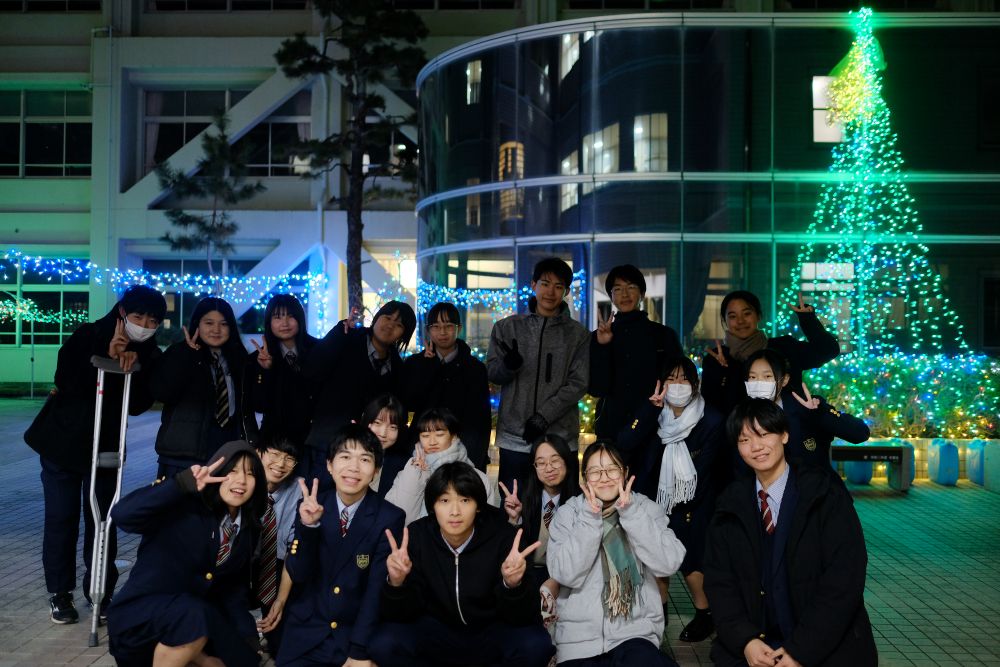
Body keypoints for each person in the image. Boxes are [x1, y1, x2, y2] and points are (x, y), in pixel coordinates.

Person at [24, 285, 166, 625]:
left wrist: (133, 369)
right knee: (61, 519)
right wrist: (106, 355)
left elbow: (138, 405)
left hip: (105, 447)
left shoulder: (149, 353)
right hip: (63, 444)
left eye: (153, 321)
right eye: (138, 317)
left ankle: (100, 592)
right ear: (122, 312)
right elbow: (66, 381)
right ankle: (60, 593)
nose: (144, 325)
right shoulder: (87, 335)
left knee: (103, 521)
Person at [703, 399, 878, 666]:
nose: (756, 447)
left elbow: (844, 579)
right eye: (745, 440)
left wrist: (800, 651)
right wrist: (746, 641)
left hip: (824, 644)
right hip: (759, 645)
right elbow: (720, 583)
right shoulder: (729, 504)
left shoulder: (824, 495)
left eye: (764, 435)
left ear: (784, 435)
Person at [369, 462, 555, 667]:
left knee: (536, 645)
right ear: (432, 506)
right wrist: (397, 583)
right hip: (436, 632)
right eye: (444, 500)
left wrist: (512, 586)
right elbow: (401, 614)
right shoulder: (417, 536)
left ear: (478, 506)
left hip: (489, 631)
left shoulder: (504, 536)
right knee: (384, 643)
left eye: (465, 500)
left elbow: (524, 616)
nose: (455, 511)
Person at [106, 440, 267, 667]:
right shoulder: (185, 505)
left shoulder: (247, 530)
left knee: (246, 661)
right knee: (194, 617)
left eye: (250, 474)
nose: (241, 480)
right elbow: (122, 514)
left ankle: (197, 656)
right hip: (140, 620)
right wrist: (180, 484)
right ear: (216, 472)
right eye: (232, 471)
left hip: (193, 619)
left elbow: (233, 592)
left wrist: (248, 636)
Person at [615, 356, 726, 643]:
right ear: (661, 384)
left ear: (695, 384)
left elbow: (707, 469)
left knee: (691, 559)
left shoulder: (711, 419)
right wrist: (649, 410)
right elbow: (624, 443)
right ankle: (658, 615)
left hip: (694, 499)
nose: (678, 385)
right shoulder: (653, 413)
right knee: (654, 558)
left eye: (684, 379)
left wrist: (677, 505)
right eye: (671, 379)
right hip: (651, 496)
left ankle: (704, 614)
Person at [276, 424, 406, 667]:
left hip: (353, 634)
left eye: (365, 459)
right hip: (307, 631)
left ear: (376, 470)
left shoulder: (389, 517)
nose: (353, 467)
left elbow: (375, 590)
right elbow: (299, 573)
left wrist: (358, 650)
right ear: (329, 464)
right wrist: (309, 527)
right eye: (345, 457)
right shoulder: (312, 505)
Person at [546, 441, 685, 666]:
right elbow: (566, 574)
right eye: (595, 471)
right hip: (577, 641)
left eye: (612, 469)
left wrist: (631, 514)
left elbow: (669, 562)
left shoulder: (645, 508)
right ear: (584, 478)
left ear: (625, 472)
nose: (604, 478)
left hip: (635, 634)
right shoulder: (568, 514)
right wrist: (590, 519)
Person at [487, 257, 590, 494]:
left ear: (565, 291)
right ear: (533, 285)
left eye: (558, 286)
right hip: (515, 437)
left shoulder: (578, 335)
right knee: (513, 504)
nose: (550, 292)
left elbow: (579, 383)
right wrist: (507, 366)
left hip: (560, 438)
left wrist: (544, 416)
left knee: (563, 506)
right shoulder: (507, 328)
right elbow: (492, 373)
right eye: (545, 283)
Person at [302, 300, 416, 492]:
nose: (390, 326)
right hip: (327, 442)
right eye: (387, 318)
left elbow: (402, 409)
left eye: (399, 325)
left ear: (404, 334)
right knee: (317, 498)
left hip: (364, 453)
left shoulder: (397, 368)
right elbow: (312, 370)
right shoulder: (346, 339)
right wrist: (338, 333)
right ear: (376, 318)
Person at [150, 296, 258, 478]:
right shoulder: (179, 353)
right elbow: (163, 393)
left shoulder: (239, 358)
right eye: (209, 323)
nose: (216, 330)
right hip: (184, 454)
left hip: (228, 449)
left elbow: (252, 403)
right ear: (197, 324)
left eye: (223, 324)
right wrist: (188, 355)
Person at [701, 291, 839, 414]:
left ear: (758, 316)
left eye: (747, 313)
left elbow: (828, 350)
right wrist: (722, 372)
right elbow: (711, 406)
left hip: (789, 430)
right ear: (725, 320)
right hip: (739, 433)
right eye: (732, 316)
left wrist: (808, 319)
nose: (740, 321)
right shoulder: (717, 358)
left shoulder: (785, 347)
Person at [589, 264, 683, 439]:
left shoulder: (663, 335)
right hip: (612, 428)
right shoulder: (598, 337)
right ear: (611, 296)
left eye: (631, 287)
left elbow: (678, 383)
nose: (624, 294)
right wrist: (603, 346)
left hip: (655, 427)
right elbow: (597, 389)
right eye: (618, 289)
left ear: (642, 294)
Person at [742, 348, 870, 472]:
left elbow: (860, 433)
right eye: (752, 377)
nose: (759, 382)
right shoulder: (741, 416)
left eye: (767, 376)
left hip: (814, 485)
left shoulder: (806, 407)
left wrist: (819, 414)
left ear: (785, 379)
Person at [498, 433, 580, 626]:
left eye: (555, 460)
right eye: (541, 463)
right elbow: (508, 550)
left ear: (567, 462)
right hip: (529, 574)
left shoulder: (580, 500)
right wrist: (514, 519)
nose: (548, 468)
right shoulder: (521, 498)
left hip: (567, 578)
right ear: (534, 468)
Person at [403, 301, 492, 470]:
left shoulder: (475, 368)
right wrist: (428, 367)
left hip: (462, 454)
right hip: (420, 453)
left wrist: (473, 462)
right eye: (436, 327)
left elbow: (480, 420)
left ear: (459, 328)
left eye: (448, 326)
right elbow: (410, 402)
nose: (442, 332)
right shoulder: (415, 363)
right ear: (428, 330)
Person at [386, 407, 499, 525]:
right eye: (425, 435)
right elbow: (397, 518)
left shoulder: (476, 477)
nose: (432, 442)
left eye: (439, 434)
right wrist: (415, 474)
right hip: (416, 536)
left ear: (453, 436)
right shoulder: (410, 471)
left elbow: (487, 523)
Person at [252, 435, 302, 659]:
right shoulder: (243, 483)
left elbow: (294, 549)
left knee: (281, 646)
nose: (281, 464)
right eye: (274, 454)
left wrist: (280, 601)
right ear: (258, 453)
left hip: (279, 567)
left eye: (289, 458)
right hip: (242, 564)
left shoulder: (299, 489)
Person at [249, 293, 318, 453]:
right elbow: (259, 405)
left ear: (300, 319)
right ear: (269, 322)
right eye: (277, 317)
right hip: (275, 443)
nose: (285, 323)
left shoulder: (318, 350)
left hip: (313, 440)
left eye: (291, 316)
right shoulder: (257, 358)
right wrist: (265, 370)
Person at [362, 393, 410, 498]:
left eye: (392, 427)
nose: (383, 433)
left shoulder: (404, 464)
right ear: (367, 422)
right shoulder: (344, 450)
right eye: (377, 423)